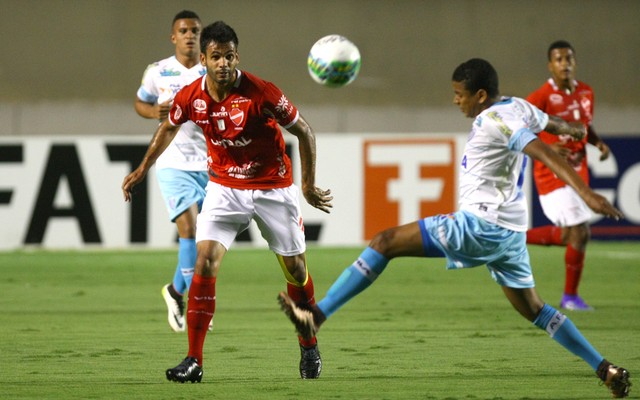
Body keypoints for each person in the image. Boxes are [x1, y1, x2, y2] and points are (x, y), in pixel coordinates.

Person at [278, 59, 631, 398]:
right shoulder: (517, 106)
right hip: (509, 235)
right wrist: (575, 130)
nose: (455, 99)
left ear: (480, 95)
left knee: (384, 241)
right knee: (536, 310)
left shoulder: (497, 120)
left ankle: (317, 316)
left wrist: (587, 194)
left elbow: (541, 150)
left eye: (460, 93)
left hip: (481, 225)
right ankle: (605, 369)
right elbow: (550, 123)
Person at [122, 20, 332, 382]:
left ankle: (308, 342)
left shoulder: (261, 92)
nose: (224, 63)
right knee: (204, 260)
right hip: (223, 187)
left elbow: (304, 131)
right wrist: (142, 169)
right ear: (204, 59)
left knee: (296, 271)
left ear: (237, 56)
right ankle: (194, 360)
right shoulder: (191, 96)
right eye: (216, 56)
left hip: (272, 187)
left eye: (229, 56)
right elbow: (169, 126)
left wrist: (308, 185)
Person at [134, 10, 208, 332]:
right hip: (172, 161)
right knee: (189, 230)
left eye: (194, 30)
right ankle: (198, 301)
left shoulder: (213, 70)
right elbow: (140, 102)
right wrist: (153, 112)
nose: (189, 35)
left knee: (203, 240)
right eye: (183, 30)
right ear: (173, 37)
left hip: (210, 163)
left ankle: (175, 291)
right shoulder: (158, 71)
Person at [525, 40, 611, 311]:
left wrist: (596, 142)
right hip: (551, 173)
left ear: (575, 62)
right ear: (550, 65)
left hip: (578, 172)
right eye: (559, 59)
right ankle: (570, 297)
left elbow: (585, 124)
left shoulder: (586, 92)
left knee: (570, 235)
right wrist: (547, 147)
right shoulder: (540, 97)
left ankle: (512, 236)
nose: (565, 64)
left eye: (569, 58)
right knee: (580, 231)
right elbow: (516, 129)